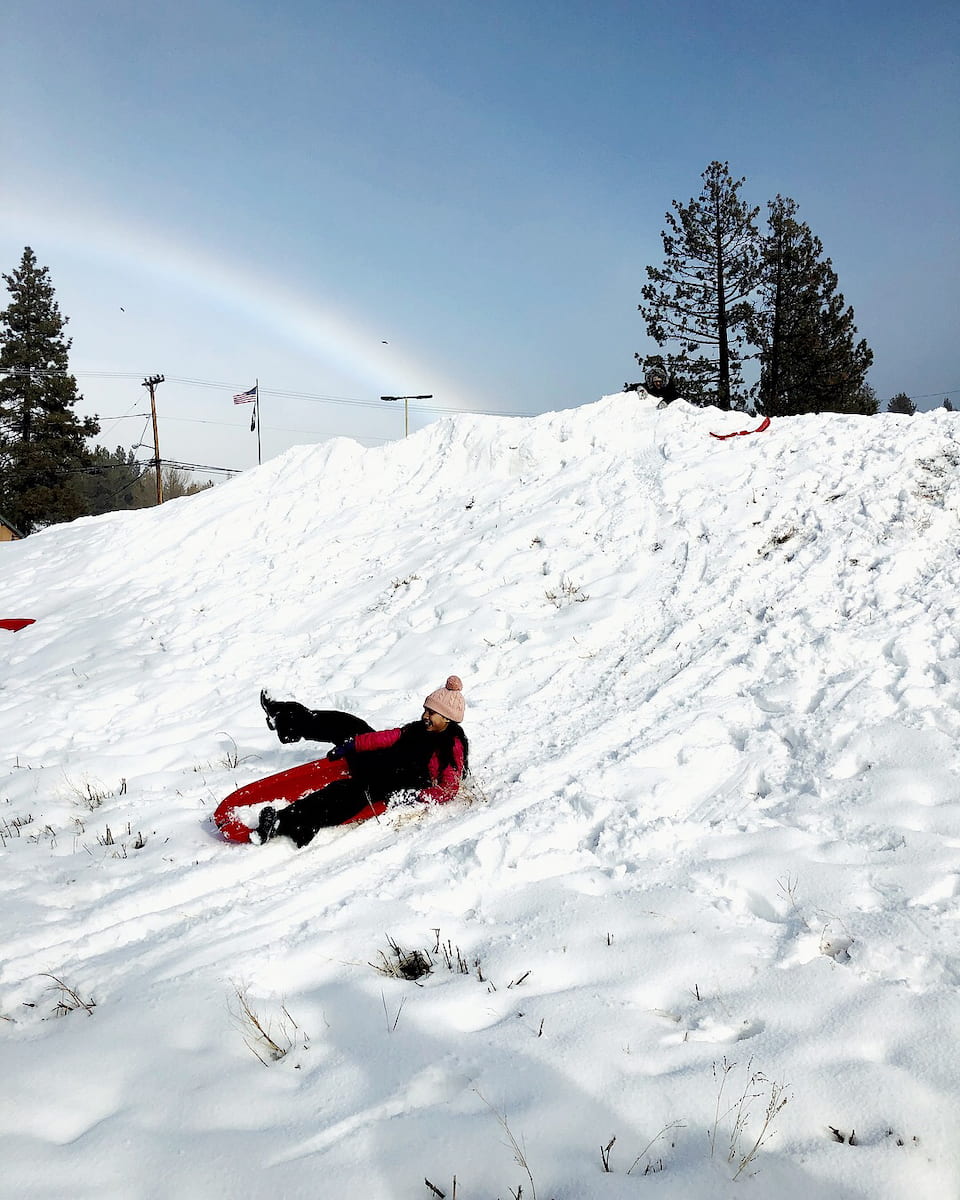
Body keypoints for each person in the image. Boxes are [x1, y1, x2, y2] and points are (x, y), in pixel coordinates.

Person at [253, 676, 469, 847]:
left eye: (431, 713)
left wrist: (416, 796)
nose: (425, 715)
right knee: (347, 724)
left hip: (393, 783)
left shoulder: (450, 746)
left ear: (447, 718)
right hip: (384, 761)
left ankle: (283, 823)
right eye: (425, 709)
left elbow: (449, 788)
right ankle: (284, 719)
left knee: (344, 792)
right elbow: (387, 737)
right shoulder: (418, 729)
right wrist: (353, 744)